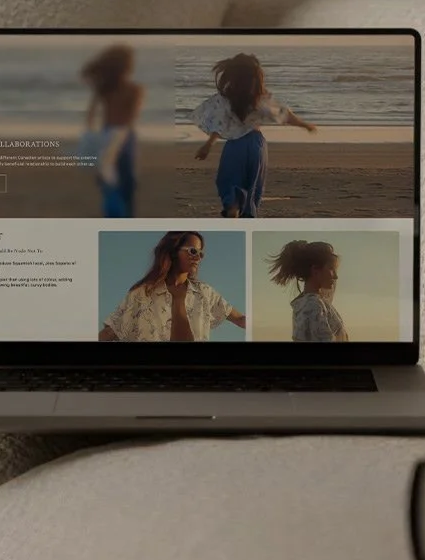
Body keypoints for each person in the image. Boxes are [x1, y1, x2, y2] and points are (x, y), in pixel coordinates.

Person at [192, 53, 316, 218]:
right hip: (257, 145)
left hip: (235, 146)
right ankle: (245, 213)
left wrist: (207, 146)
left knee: (230, 182)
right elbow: (284, 115)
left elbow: (219, 125)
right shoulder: (260, 98)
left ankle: (233, 208)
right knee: (252, 185)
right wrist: (304, 125)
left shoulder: (226, 99)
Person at [99, 232, 246, 343]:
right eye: (193, 251)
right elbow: (111, 331)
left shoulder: (204, 292)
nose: (198, 257)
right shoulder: (142, 293)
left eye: (201, 254)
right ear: (174, 251)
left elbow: (240, 319)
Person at [80, 44, 144, 217]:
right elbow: (131, 116)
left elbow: (91, 114)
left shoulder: (105, 89)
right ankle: (124, 217)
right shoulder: (133, 89)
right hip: (123, 134)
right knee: (125, 179)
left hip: (108, 133)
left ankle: (115, 216)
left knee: (110, 177)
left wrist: (91, 136)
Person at [267, 239, 350, 342]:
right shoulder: (313, 306)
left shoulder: (308, 303)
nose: (336, 276)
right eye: (331, 269)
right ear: (315, 270)